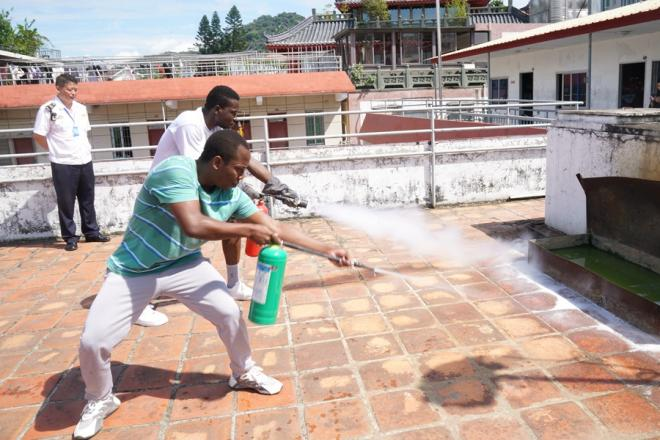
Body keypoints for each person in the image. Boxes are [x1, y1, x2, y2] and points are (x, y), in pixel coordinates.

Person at [72, 130, 350, 439]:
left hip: (184, 264)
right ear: (217, 162)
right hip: (134, 270)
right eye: (239, 169)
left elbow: (273, 227)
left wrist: (327, 250)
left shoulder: (231, 194)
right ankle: (100, 399)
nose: (243, 177)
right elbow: (194, 224)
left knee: (229, 313)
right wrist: (246, 230)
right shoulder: (176, 170)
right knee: (93, 341)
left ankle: (243, 372)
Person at [136, 85, 299, 327]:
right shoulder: (190, 125)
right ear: (218, 109)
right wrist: (243, 189)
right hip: (170, 192)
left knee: (233, 221)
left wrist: (274, 183)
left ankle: (233, 283)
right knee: (161, 243)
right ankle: (138, 304)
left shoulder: (215, 129)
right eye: (233, 112)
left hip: (196, 187)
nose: (235, 118)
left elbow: (243, 158)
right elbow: (201, 168)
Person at [33, 73, 110, 251]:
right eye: (69, 89)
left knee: (87, 198)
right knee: (66, 202)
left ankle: (91, 232)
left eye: (75, 89)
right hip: (63, 162)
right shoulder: (49, 109)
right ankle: (70, 237)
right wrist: (54, 150)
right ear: (58, 88)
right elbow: (38, 135)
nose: (73, 93)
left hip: (84, 159)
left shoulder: (81, 108)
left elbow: (83, 132)